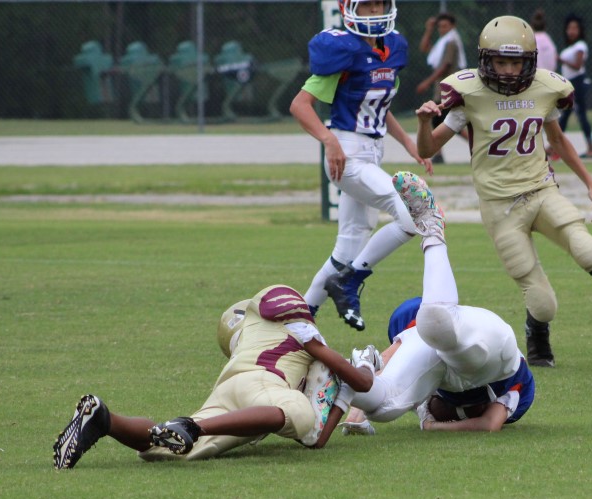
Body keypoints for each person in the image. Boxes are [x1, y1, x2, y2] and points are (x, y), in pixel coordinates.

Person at [415, 15, 592, 371]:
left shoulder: (544, 88)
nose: (509, 71)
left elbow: (559, 141)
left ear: (530, 61)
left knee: (589, 250)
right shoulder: (469, 93)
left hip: (541, 191)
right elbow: (428, 149)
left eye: (516, 62)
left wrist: (591, 184)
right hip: (500, 207)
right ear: (486, 60)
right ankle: (537, 334)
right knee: (543, 304)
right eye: (501, 62)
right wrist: (423, 123)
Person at [52, 285, 376, 469]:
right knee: (299, 413)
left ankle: (105, 419)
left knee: (160, 446)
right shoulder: (297, 329)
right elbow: (361, 382)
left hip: (229, 391)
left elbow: (316, 440)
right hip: (263, 384)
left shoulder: (250, 340)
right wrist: (363, 366)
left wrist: (343, 394)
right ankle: (193, 426)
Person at [330, 171, 536, 435]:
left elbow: (489, 423)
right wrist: (357, 402)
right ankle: (331, 376)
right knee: (384, 407)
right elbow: (389, 357)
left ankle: (430, 224)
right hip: (458, 353)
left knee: (434, 324)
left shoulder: (504, 389)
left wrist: (431, 423)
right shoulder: (420, 340)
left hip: (492, 362)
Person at [289, 0, 432, 333]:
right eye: (367, 5)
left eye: (379, 3)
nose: (375, 11)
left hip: (371, 153)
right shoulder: (344, 51)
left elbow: (380, 106)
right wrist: (329, 140)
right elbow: (300, 105)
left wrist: (408, 143)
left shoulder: (391, 48)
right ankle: (350, 281)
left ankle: (298, 323)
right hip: (348, 154)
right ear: (350, 8)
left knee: (346, 250)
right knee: (411, 213)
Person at [416, 12, 466, 164]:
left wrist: (427, 82)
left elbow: (445, 65)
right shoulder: (442, 43)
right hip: (441, 88)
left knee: (450, 121)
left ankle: (477, 145)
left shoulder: (451, 42)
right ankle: (438, 154)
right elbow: (424, 48)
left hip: (450, 88)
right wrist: (429, 30)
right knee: (439, 120)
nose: (442, 29)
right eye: (440, 26)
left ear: (453, 26)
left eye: (445, 26)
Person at [558, 13, 592, 159]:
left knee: (581, 115)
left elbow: (578, 66)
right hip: (569, 83)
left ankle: (591, 148)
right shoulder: (570, 47)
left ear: (580, 30)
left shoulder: (580, 46)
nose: (571, 31)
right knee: (565, 116)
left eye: (575, 28)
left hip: (577, 83)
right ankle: (554, 146)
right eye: (569, 28)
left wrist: (561, 60)